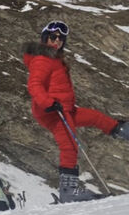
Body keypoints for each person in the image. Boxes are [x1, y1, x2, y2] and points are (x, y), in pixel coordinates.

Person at [23, 20, 129, 202]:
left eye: (61, 38)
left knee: (95, 117)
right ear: (44, 38)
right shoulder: (43, 59)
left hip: (65, 109)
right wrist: (48, 102)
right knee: (70, 145)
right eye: (53, 37)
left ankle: (121, 130)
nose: (57, 41)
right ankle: (68, 191)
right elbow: (34, 85)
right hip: (51, 111)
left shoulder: (55, 59)